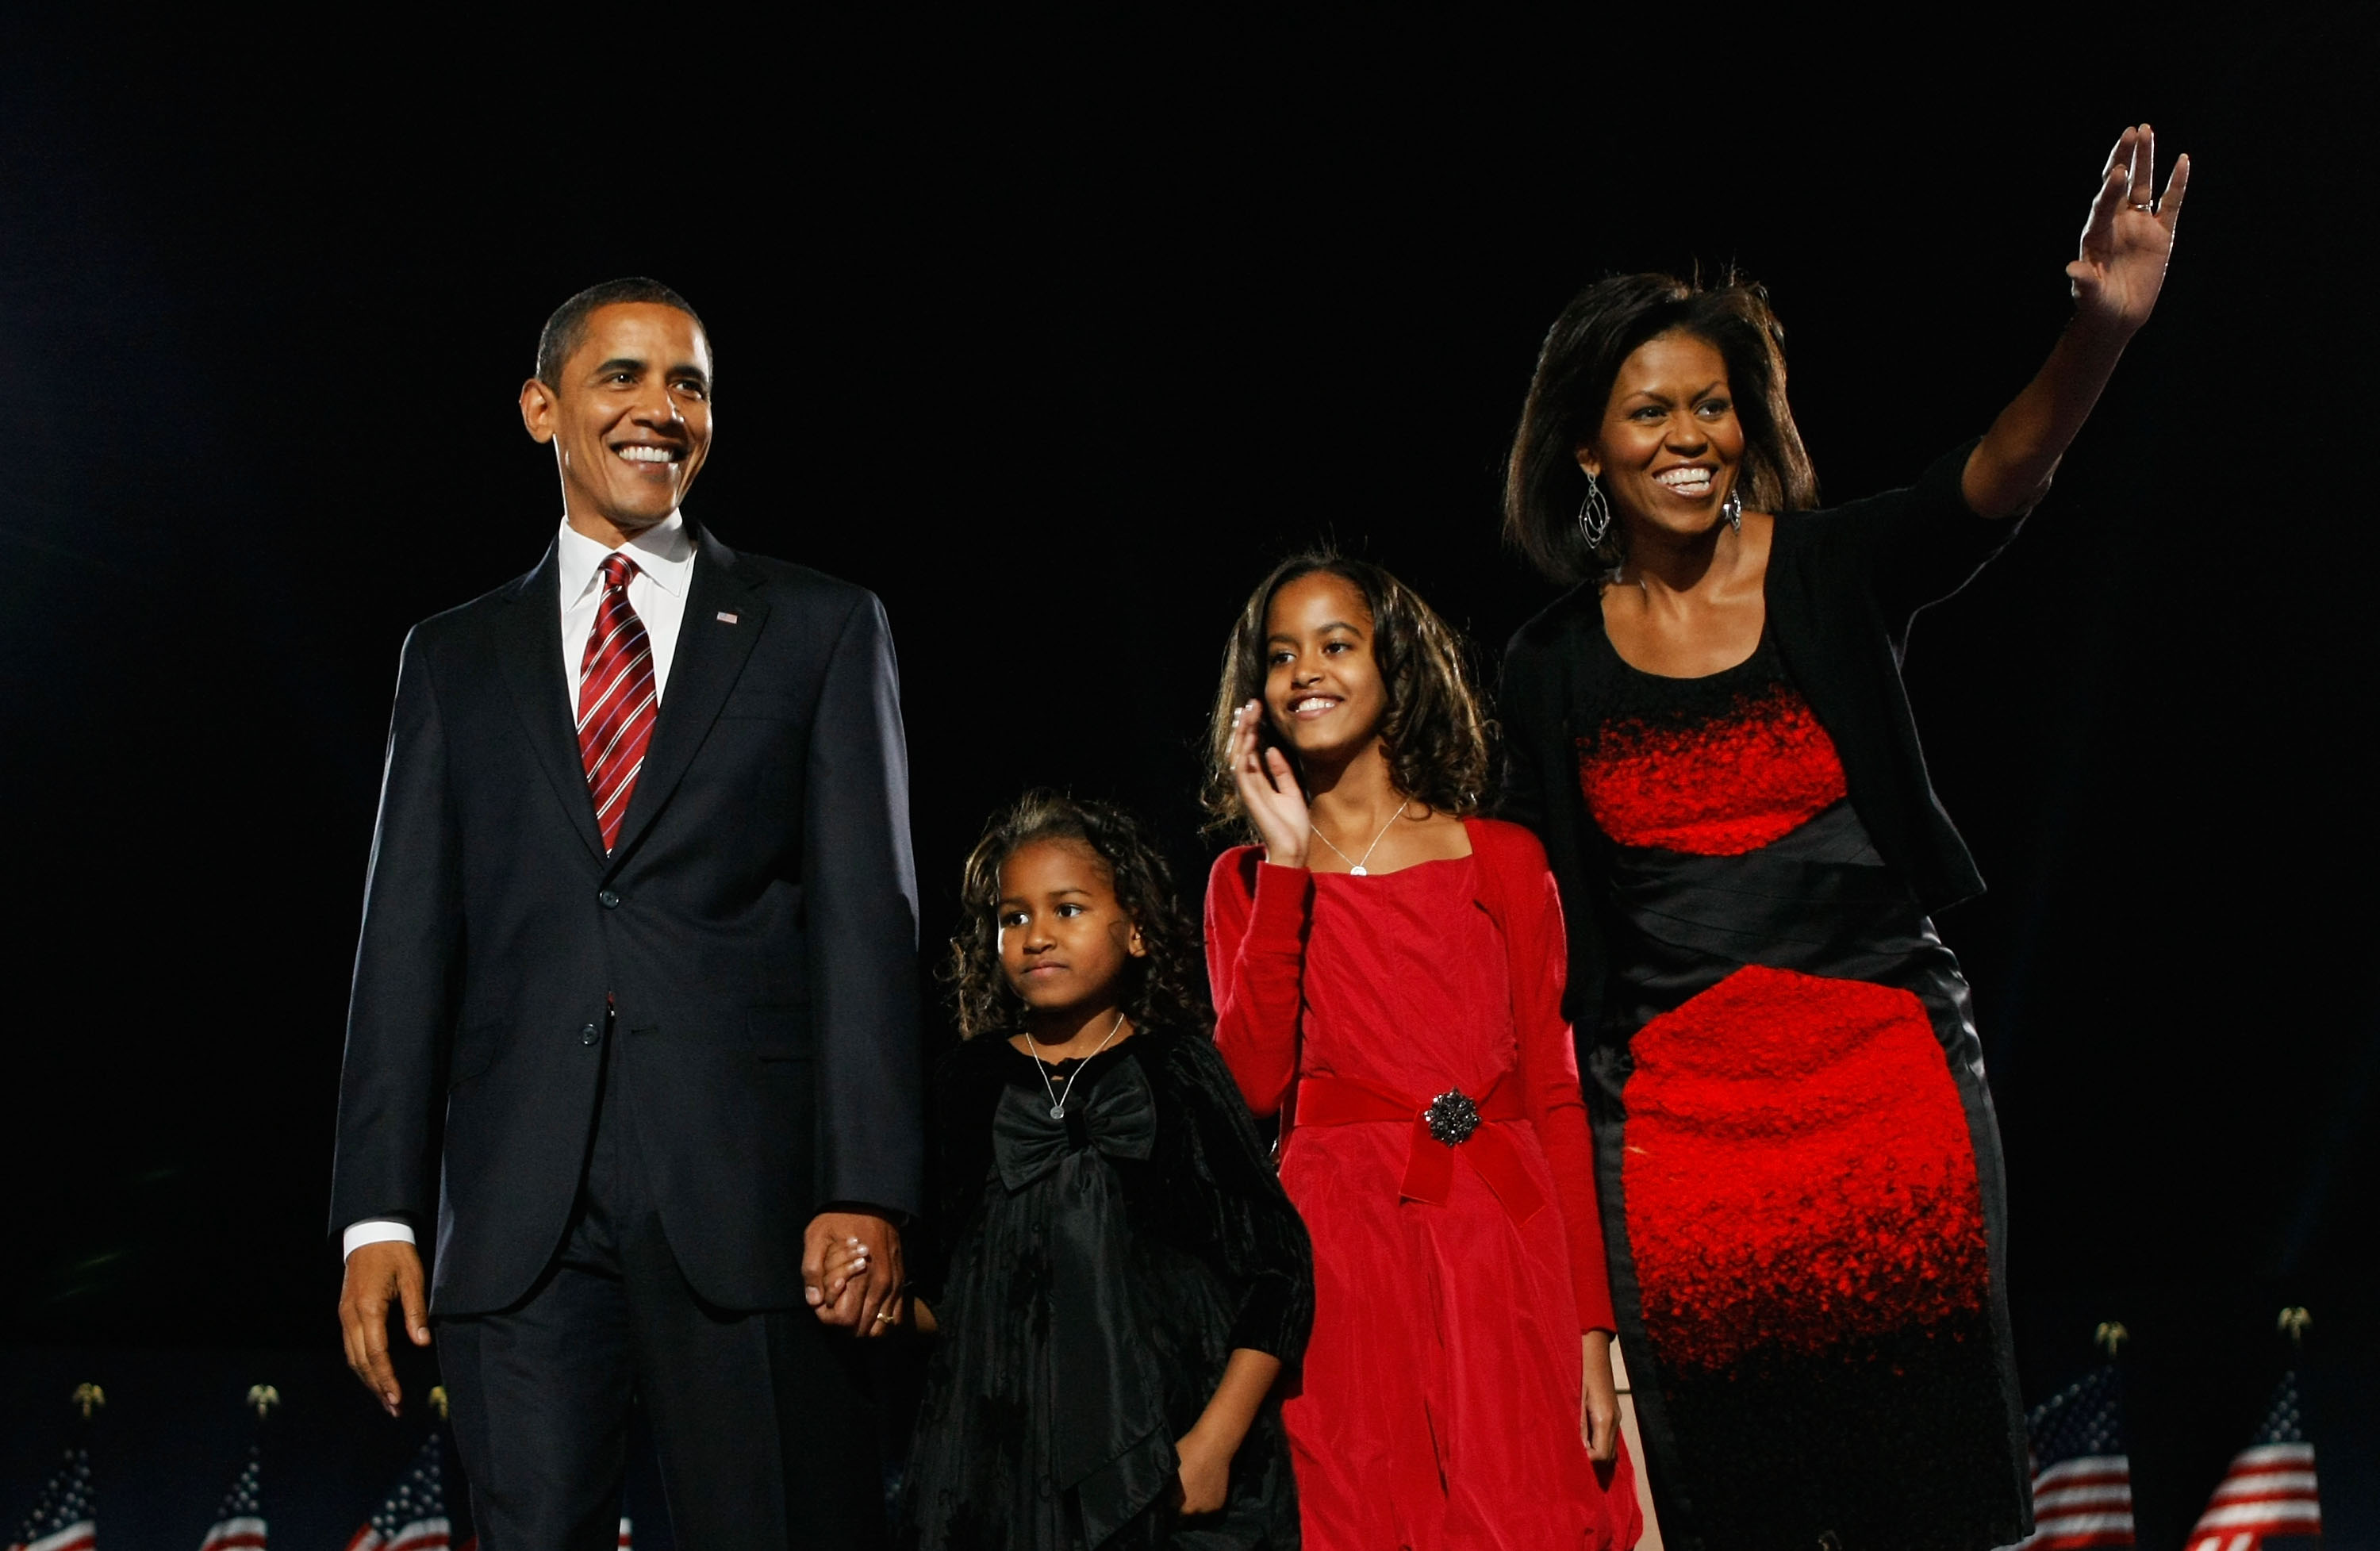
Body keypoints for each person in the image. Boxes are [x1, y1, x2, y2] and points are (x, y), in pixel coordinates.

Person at [1494, 128, 2189, 1548]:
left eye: (1712, 404)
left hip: (1888, 1093)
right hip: (1682, 1140)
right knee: (1745, 1500)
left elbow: (1999, 474)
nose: (1689, 437)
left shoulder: (1832, 566)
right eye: (1648, 414)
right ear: (1585, 445)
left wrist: (2100, 333)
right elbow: (1546, 923)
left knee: (1924, 1494)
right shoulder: (1548, 664)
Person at [328, 278, 922, 1549]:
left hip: (755, 1209)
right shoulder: (452, 655)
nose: (662, 409)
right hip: (517, 1218)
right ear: (543, 408)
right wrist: (377, 1211)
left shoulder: (818, 628)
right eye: (625, 377)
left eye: (690, 383)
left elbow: (867, 931)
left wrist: (865, 1183)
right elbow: (403, 947)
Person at [1204, 555, 1643, 1551]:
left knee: (1534, 1516)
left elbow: (1557, 1097)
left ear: (1394, 667)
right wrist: (1284, 865)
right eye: (1281, 654)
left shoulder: (1502, 858)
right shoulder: (1246, 879)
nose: (1305, 670)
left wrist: (1590, 1329)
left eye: (1335, 643)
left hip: (1504, 1247)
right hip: (1345, 1262)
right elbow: (1250, 1087)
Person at [894, 792, 1312, 1549]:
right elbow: (943, 1286)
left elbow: (1277, 1270)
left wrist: (1215, 1442)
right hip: (997, 1468)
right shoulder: (966, 1081)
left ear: (1139, 930)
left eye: (1069, 908)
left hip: (1170, 1457)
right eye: (1014, 917)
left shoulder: (1182, 1068)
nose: (1037, 935)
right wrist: (877, 1298)